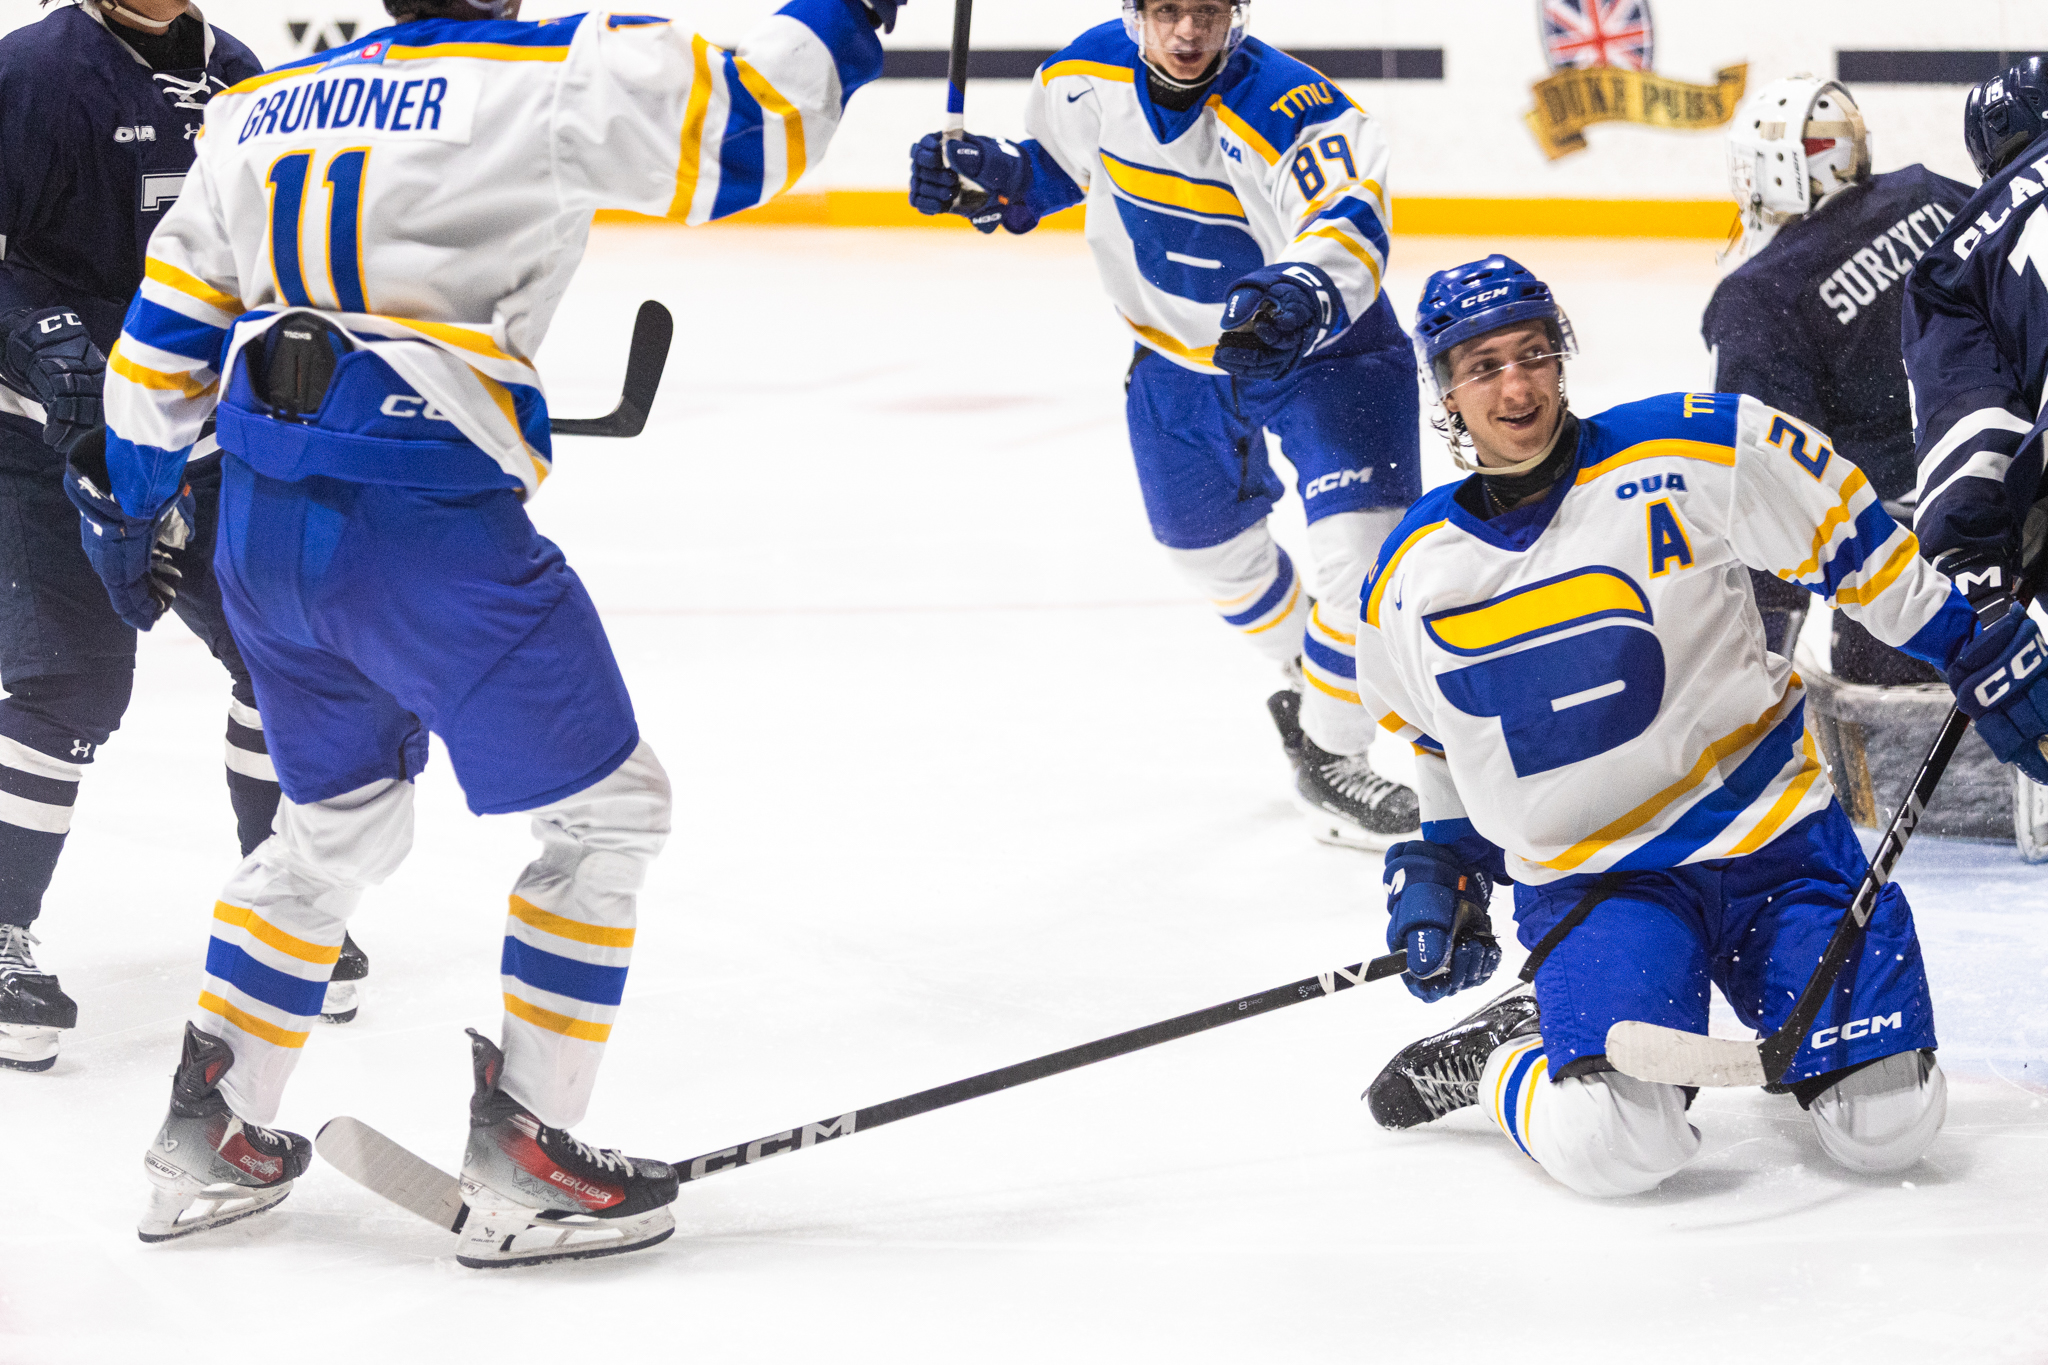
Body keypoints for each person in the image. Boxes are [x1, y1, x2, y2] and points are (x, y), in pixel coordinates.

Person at [96, 0, 900, 1265]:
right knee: (608, 813)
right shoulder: (548, 72)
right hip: (421, 526)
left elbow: (162, 338)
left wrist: (136, 501)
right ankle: (529, 1152)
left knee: (334, 826)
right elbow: (747, 132)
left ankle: (209, 1137)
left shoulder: (260, 107)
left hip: (261, 525)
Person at [1350, 256, 2048, 1197]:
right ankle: (1504, 1055)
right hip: (1602, 882)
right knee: (1616, 1147)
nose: (1516, 387)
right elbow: (1436, 740)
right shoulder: (1409, 571)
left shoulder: (1686, 452)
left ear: (1561, 358)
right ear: (1447, 389)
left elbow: (1845, 532)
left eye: (1533, 355)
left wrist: (1963, 641)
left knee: (1891, 1129)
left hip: (1778, 848)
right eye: (1483, 367)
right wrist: (1446, 865)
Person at [906, 0, 1422, 850]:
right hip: (1176, 354)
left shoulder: (1294, 108)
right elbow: (1055, 171)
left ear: (1238, 15)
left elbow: (1349, 219)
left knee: (1362, 563)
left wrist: (1297, 292)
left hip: (1323, 352)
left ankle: (1332, 754)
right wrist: (993, 176)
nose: (1189, 34)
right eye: (1169, 12)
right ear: (1134, 13)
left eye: (1209, 12)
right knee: (1203, 550)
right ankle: (1314, 669)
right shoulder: (1085, 77)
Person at [0, 0, 372, 1075]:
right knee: (65, 685)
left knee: (281, 657)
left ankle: (282, 906)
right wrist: (46, 341)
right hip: (42, 446)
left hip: (197, 440)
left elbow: (270, 256)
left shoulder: (239, 76)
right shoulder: (30, 73)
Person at [1708, 75, 1971, 679]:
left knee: (1905, 743)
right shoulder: (1927, 190)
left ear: (1781, 169)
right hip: (2023, 479)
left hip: (1910, 560)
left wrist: (1766, 644)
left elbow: (1770, 480)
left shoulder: (1761, 292)